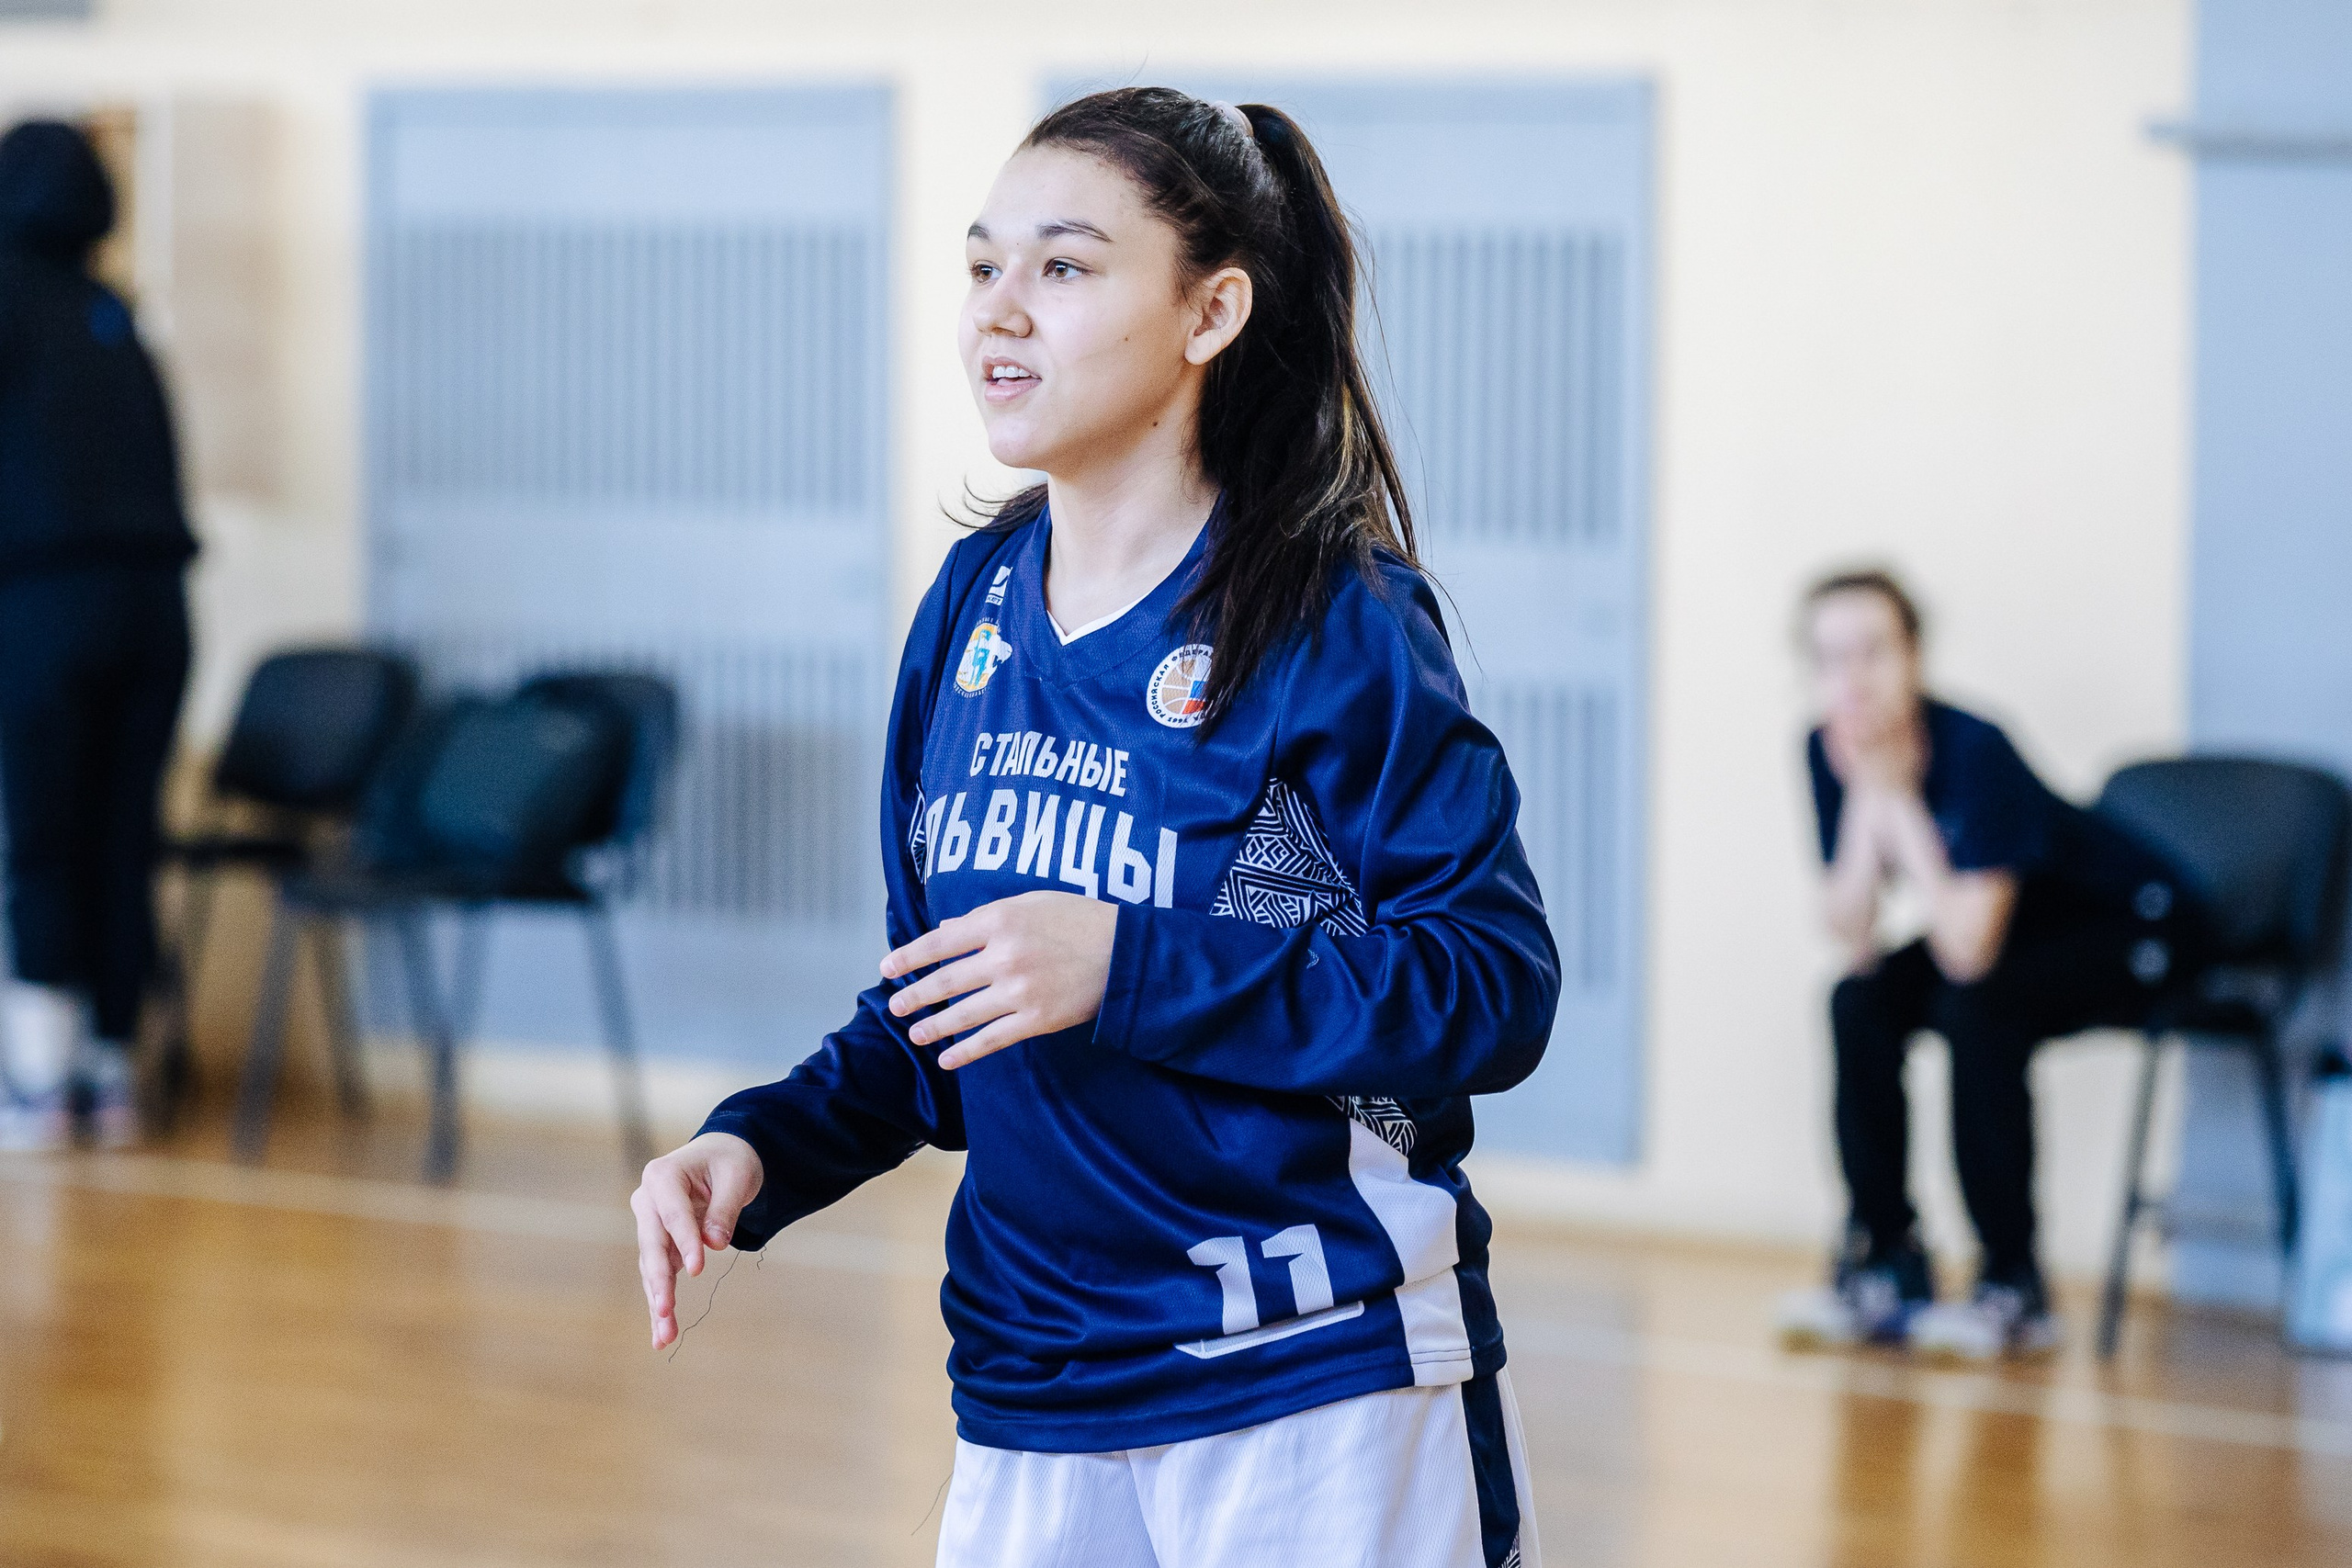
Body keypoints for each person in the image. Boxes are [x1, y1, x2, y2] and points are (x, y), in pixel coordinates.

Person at [631, 89, 1559, 1567]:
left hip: (1308, 1373)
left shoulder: (1336, 621)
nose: (1000, 312)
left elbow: (1491, 989)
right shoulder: (969, 611)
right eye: (983, 265)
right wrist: (764, 1143)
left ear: (1211, 313)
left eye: (1062, 269)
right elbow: (948, 1002)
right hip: (1033, 1377)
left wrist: (1127, 961)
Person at [1776, 570, 2194, 1359]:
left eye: (1874, 652)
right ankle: (1886, 1260)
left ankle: (2013, 1284)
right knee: (1856, 1000)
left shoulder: (1974, 747)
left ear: (1914, 656)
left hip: (2131, 925)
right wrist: (1871, 797)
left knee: (1979, 1007)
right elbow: (1854, 936)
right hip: (2010, 931)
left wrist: (1897, 796)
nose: (1854, 679)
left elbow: (1968, 948)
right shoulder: (1826, 747)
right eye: (1831, 659)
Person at [0, 120, 196, 1151]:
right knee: (122, 841)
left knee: (41, 841)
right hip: (156, 609)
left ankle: (39, 1081)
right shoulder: (111, 310)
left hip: (44, 607)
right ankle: (112, 1075)